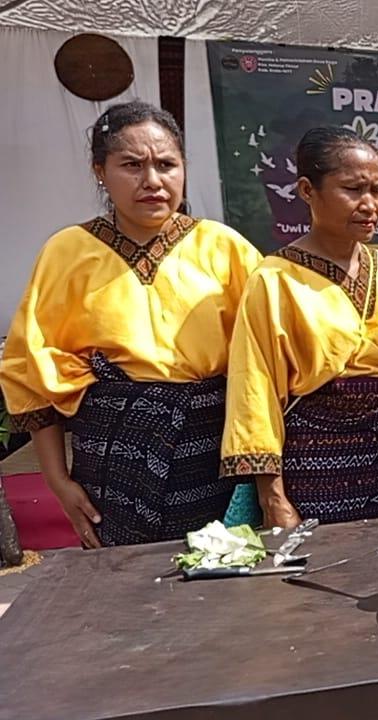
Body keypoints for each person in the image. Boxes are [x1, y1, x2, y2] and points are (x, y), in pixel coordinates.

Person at [0, 101, 263, 547]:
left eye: (166, 164)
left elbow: (264, 364)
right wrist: (58, 482)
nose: (153, 182)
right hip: (112, 458)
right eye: (131, 165)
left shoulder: (225, 248)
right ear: (100, 170)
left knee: (222, 582)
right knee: (123, 591)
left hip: (213, 453)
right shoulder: (68, 252)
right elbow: (33, 373)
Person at [219, 127, 378, 529]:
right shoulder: (274, 281)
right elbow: (254, 391)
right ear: (308, 191)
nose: (370, 204)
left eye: (377, 190)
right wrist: (272, 496)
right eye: (353, 189)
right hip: (319, 464)